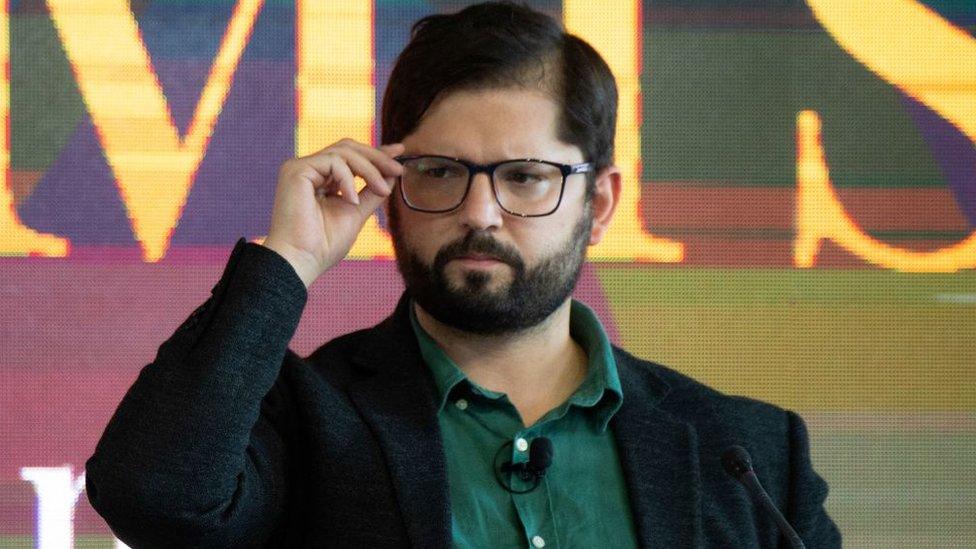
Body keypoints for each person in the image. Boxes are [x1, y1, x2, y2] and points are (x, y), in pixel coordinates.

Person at [85, 2, 841, 547]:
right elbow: (154, 497)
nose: (480, 212)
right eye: (441, 171)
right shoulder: (307, 421)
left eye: (524, 176)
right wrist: (289, 258)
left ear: (599, 201)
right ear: (388, 186)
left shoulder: (749, 454)